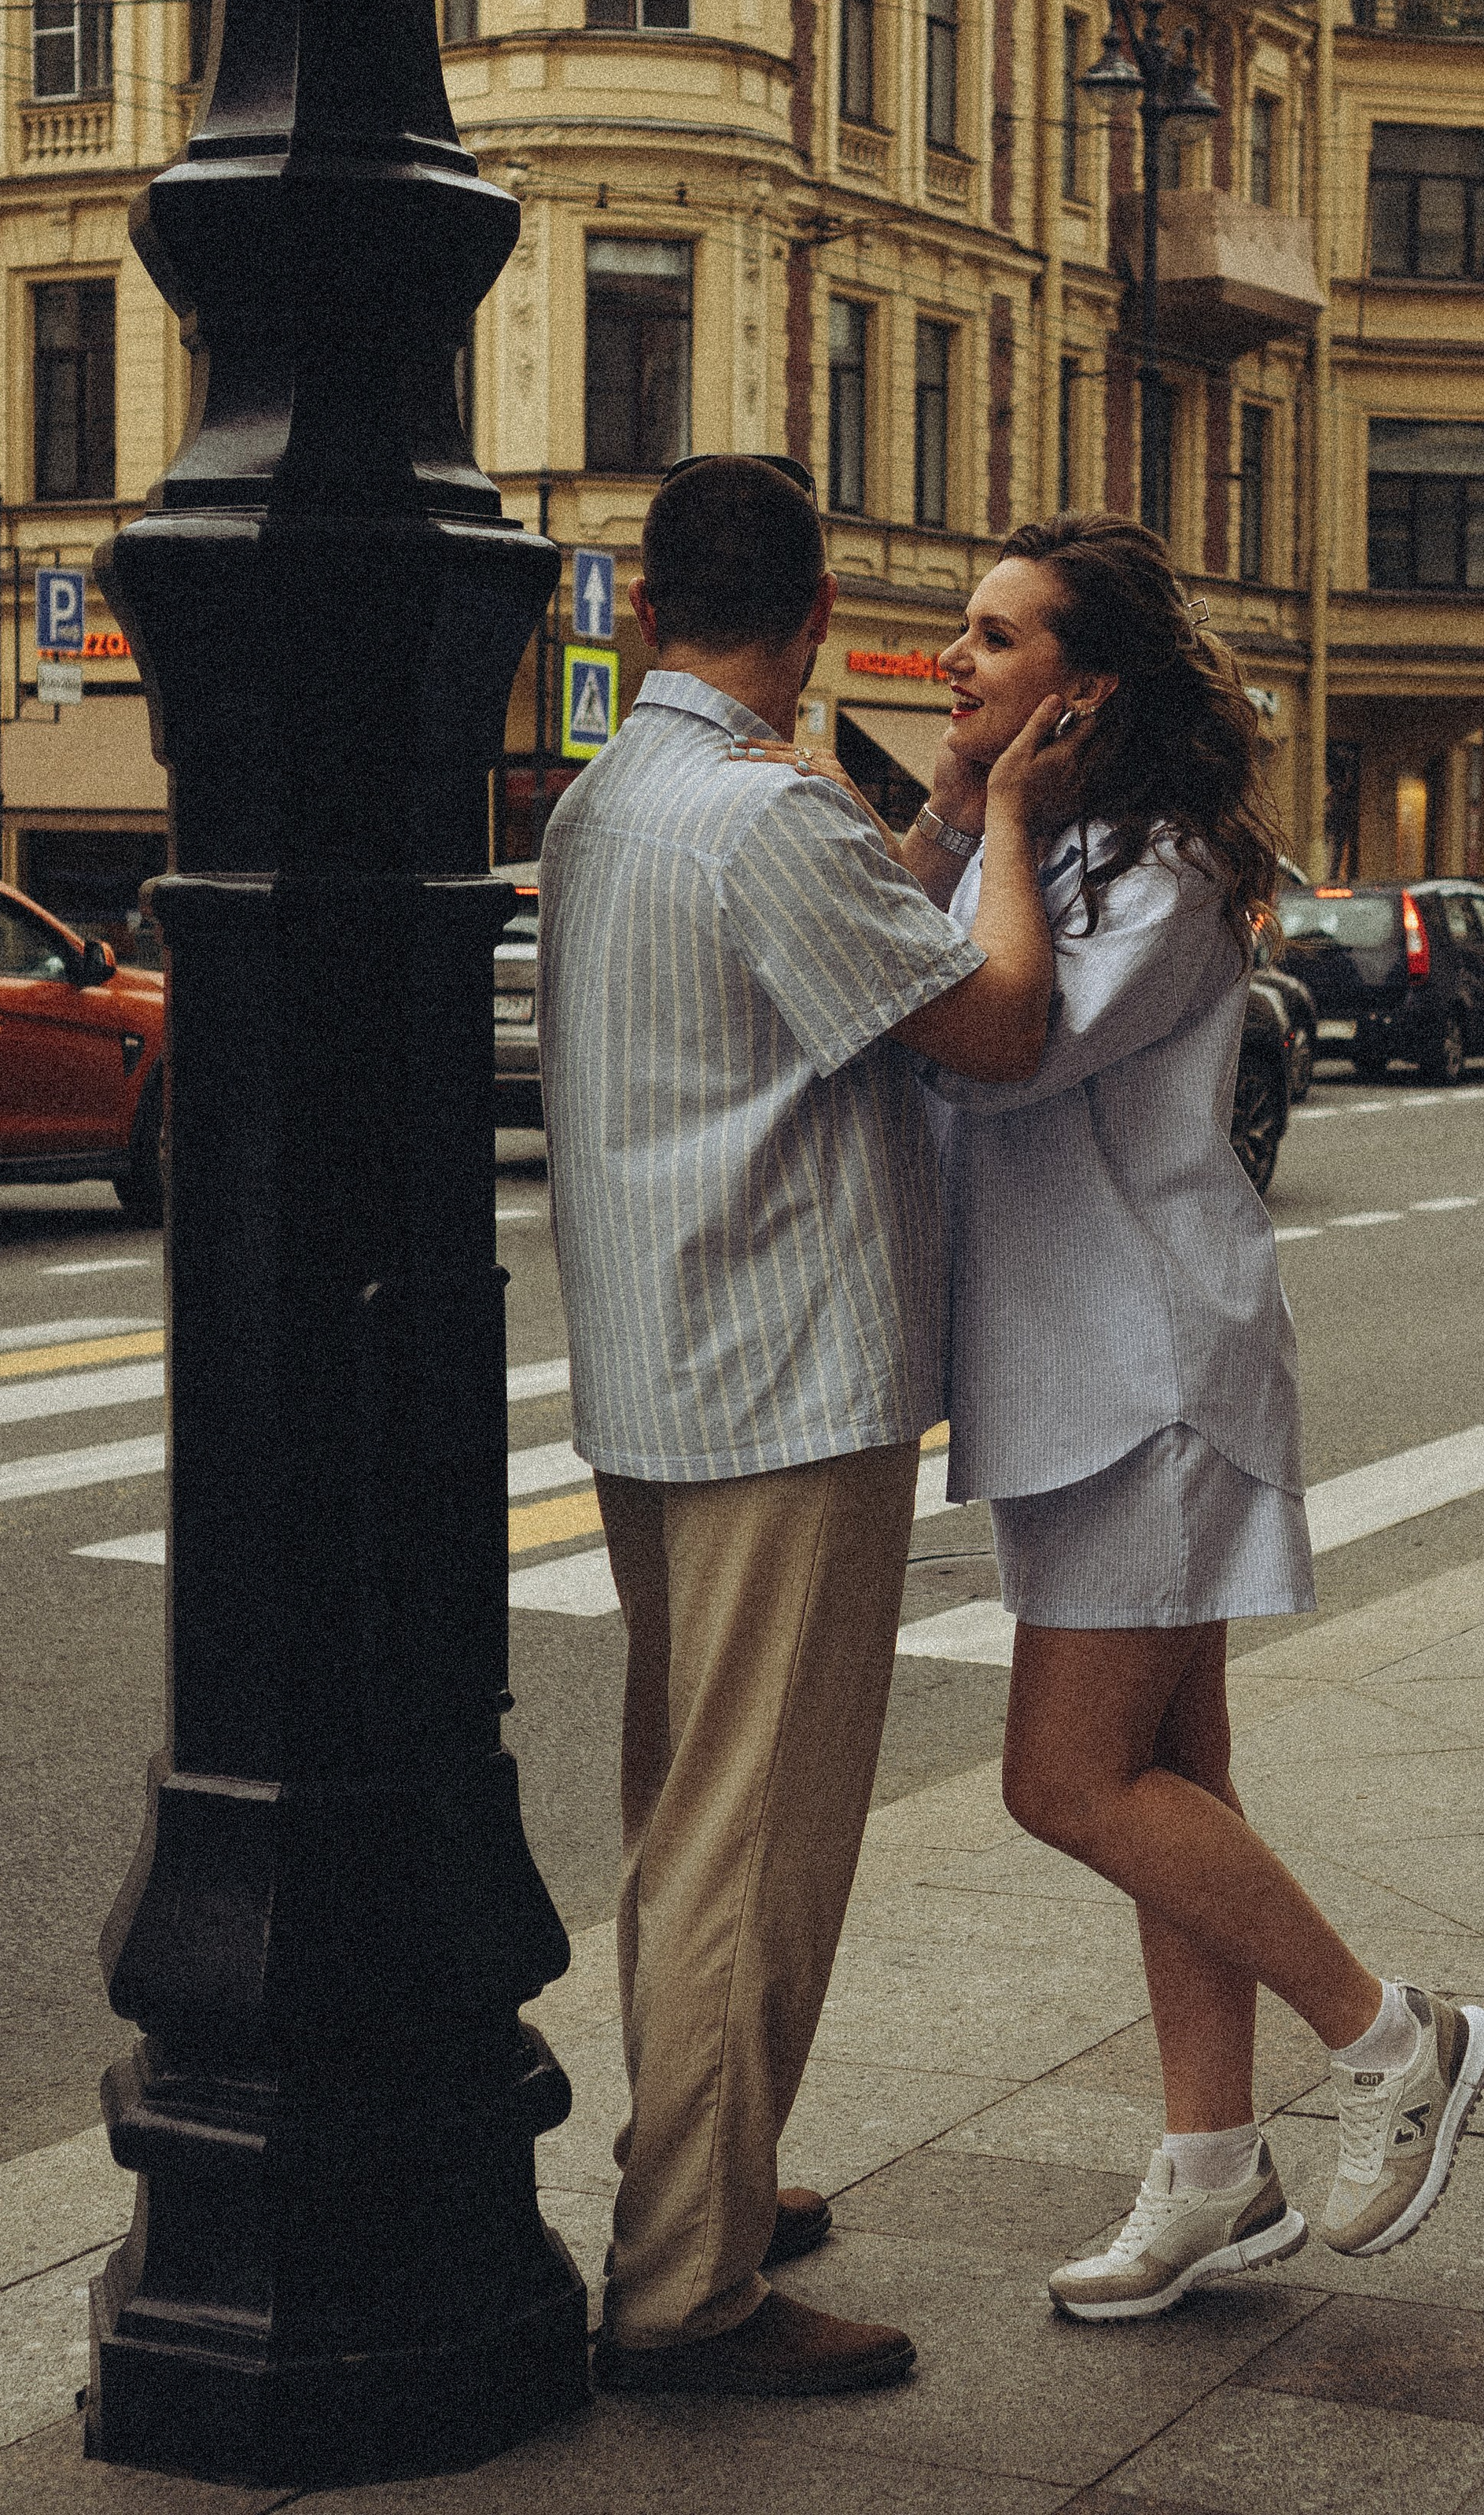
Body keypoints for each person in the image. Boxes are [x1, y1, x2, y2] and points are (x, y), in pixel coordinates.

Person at [911, 516, 1484, 2323]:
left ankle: (1394, 2036)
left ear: (1081, 689)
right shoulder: (1056, 840)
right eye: (960, 627)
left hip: (1143, 1369)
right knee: (1176, 1781)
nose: (955, 656)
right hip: (1067, 1366)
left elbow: (995, 1040)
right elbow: (896, 948)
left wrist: (996, 826)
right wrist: (960, 803)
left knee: (1065, 1782)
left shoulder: (1149, 866)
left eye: (995, 639)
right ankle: (1209, 2176)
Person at [537, 455, 1072, 2398]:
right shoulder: (764, 813)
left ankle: (713, 2176)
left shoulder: (616, 800)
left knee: (686, 1812)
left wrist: (922, 819)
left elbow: (843, 960)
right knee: (747, 1841)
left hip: (661, 1375)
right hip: (778, 1379)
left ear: (650, 608)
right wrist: (1005, 814)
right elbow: (992, 1020)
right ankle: (688, 2283)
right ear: (819, 609)